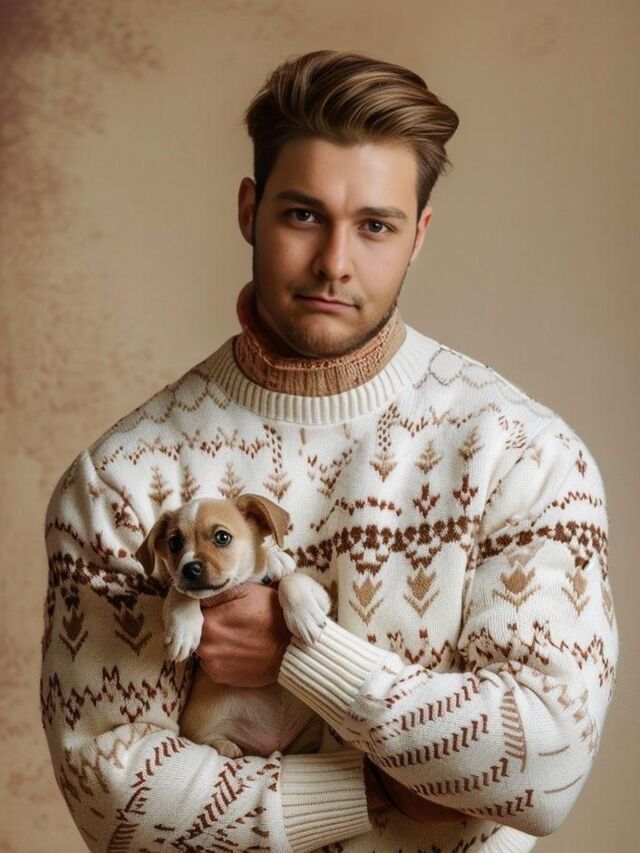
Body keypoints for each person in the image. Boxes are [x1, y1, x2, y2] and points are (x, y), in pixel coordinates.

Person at [40, 49, 618, 853]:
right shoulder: (122, 480)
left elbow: (545, 768)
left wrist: (301, 657)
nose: (334, 263)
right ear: (250, 210)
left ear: (418, 236)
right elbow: (114, 796)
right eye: (304, 215)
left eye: (375, 225)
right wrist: (376, 790)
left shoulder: (522, 453)